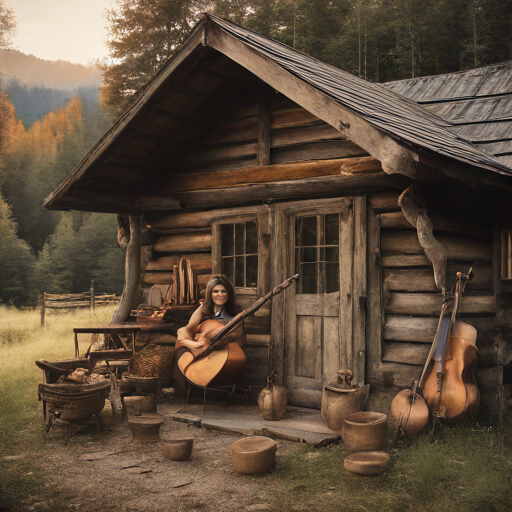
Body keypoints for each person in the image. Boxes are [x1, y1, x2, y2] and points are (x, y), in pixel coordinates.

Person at [173, 275, 246, 394]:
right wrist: (189, 341)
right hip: (200, 349)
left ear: (229, 294)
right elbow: (189, 329)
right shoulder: (203, 309)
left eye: (223, 291)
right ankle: (188, 386)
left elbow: (236, 338)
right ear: (210, 294)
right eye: (216, 291)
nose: (220, 295)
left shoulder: (235, 315)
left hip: (221, 354)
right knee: (182, 333)